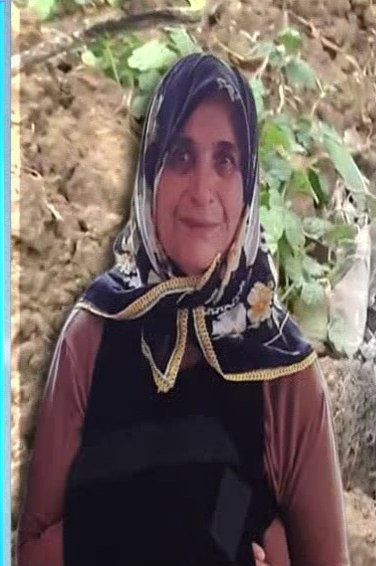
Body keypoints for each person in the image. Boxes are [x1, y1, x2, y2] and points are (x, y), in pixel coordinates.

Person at [17, 53, 350, 566]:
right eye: (180, 156)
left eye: (225, 161)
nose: (201, 190)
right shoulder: (94, 335)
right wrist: (184, 517)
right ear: (151, 172)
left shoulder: (284, 374)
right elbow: (31, 551)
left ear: (248, 185)